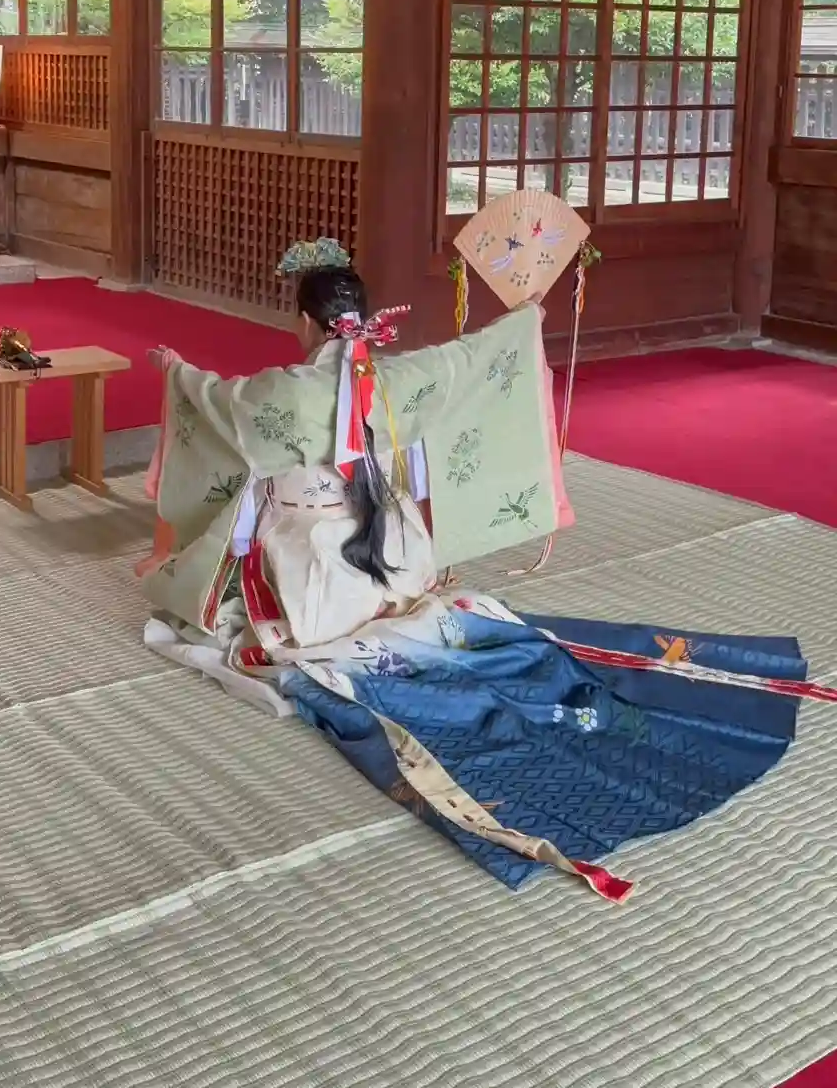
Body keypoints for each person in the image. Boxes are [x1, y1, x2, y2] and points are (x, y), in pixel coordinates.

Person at [140, 239, 835, 904]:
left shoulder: (279, 391)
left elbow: (215, 404)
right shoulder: (402, 375)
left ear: (305, 321)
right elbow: (467, 361)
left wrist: (175, 370)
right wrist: (523, 319)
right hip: (393, 554)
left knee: (232, 562)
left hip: (312, 562)